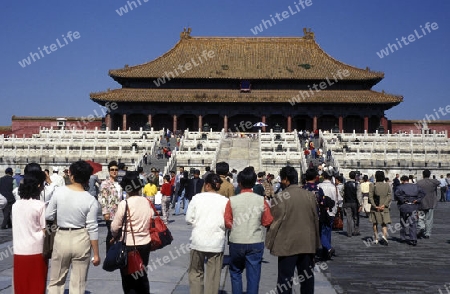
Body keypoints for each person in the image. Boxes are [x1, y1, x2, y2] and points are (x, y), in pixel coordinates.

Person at [46, 160, 100, 293]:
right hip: (81, 237)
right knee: (78, 283)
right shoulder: (90, 200)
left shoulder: (59, 192)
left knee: (56, 281)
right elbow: (92, 227)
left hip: (62, 236)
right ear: (88, 178)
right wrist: (96, 254)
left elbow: (48, 215)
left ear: (71, 175)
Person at [266, 166, 319, 294]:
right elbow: (315, 220)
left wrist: (269, 241)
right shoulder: (309, 196)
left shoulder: (280, 197)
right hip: (307, 243)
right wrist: (317, 242)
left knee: (285, 279)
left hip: (287, 244)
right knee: (307, 278)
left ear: (286, 180)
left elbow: (275, 221)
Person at [224, 167, 273, 294]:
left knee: (235, 272)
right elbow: (268, 221)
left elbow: (227, 221)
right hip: (255, 241)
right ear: (254, 182)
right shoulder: (261, 201)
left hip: (236, 240)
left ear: (239, 183)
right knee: (253, 275)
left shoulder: (232, 200)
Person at [185, 173, 229, 294]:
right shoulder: (225, 201)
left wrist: (198, 223)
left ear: (207, 185)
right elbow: (228, 221)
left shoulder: (197, 198)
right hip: (216, 242)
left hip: (198, 240)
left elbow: (189, 219)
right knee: (213, 276)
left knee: (195, 272)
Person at [111, 171, 153, 294]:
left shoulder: (125, 203)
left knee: (128, 279)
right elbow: (151, 217)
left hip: (129, 245)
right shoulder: (146, 202)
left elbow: (115, 227)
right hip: (145, 243)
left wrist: (114, 236)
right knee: (141, 274)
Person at [12, 170, 47, 293]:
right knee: (37, 284)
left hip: (19, 250)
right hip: (37, 249)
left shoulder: (15, 205)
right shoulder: (40, 205)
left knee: (22, 284)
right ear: (37, 187)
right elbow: (44, 230)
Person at [394, 175, 425, 246]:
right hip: (413, 206)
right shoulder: (416, 186)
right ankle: (413, 239)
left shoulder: (400, 187)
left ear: (402, 181)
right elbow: (423, 193)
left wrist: (403, 199)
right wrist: (417, 200)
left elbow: (396, 194)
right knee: (413, 223)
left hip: (404, 206)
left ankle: (403, 237)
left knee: (403, 222)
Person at [318, 169, 340, 259]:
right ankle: (327, 250)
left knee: (321, 232)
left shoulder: (319, 186)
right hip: (331, 211)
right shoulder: (334, 187)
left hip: (321, 212)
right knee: (328, 231)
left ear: (323, 176)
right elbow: (338, 200)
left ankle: (327, 249)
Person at [100, 160, 122, 252]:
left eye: (116, 170)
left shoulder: (119, 183)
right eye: (112, 169)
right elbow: (103, 198)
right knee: (111, 233)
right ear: (109, 171)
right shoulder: (105, 183)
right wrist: (105, 212)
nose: (114, 171)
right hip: (110, 213)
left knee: (118, 233)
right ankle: (108, 253)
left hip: (119, 212)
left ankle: (116, 253)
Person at [368, 171, 392, 245]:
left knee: (375, 223)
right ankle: (384, 236)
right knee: (384, 223)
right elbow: (389, 196)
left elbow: (370, 197)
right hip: (384, 207)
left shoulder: (372, 185)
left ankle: (376, 238)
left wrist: (375, 205)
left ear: (376, 177)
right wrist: (384, 205)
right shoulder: (387, 185)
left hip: (375, 207)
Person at [416, 169, 440, 239]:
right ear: (429, 175)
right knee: (429, 219)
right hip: (430, 202)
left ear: (423, 175)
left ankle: (422, 227)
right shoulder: (433, 182)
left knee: (421, 218)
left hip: (421, 203)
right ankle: (427, 233)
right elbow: (438, 182)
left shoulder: (419, 182)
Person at [342, 171, 363, 237]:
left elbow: (341, 192)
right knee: (356, 217)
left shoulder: (345, 184)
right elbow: (359, 195)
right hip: (355, 203)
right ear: (355, 177)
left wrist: (344, 196)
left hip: (347, 202)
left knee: (348, 218)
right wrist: (361, 204)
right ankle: (356, 230)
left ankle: (349, 232)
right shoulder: (357, 184)